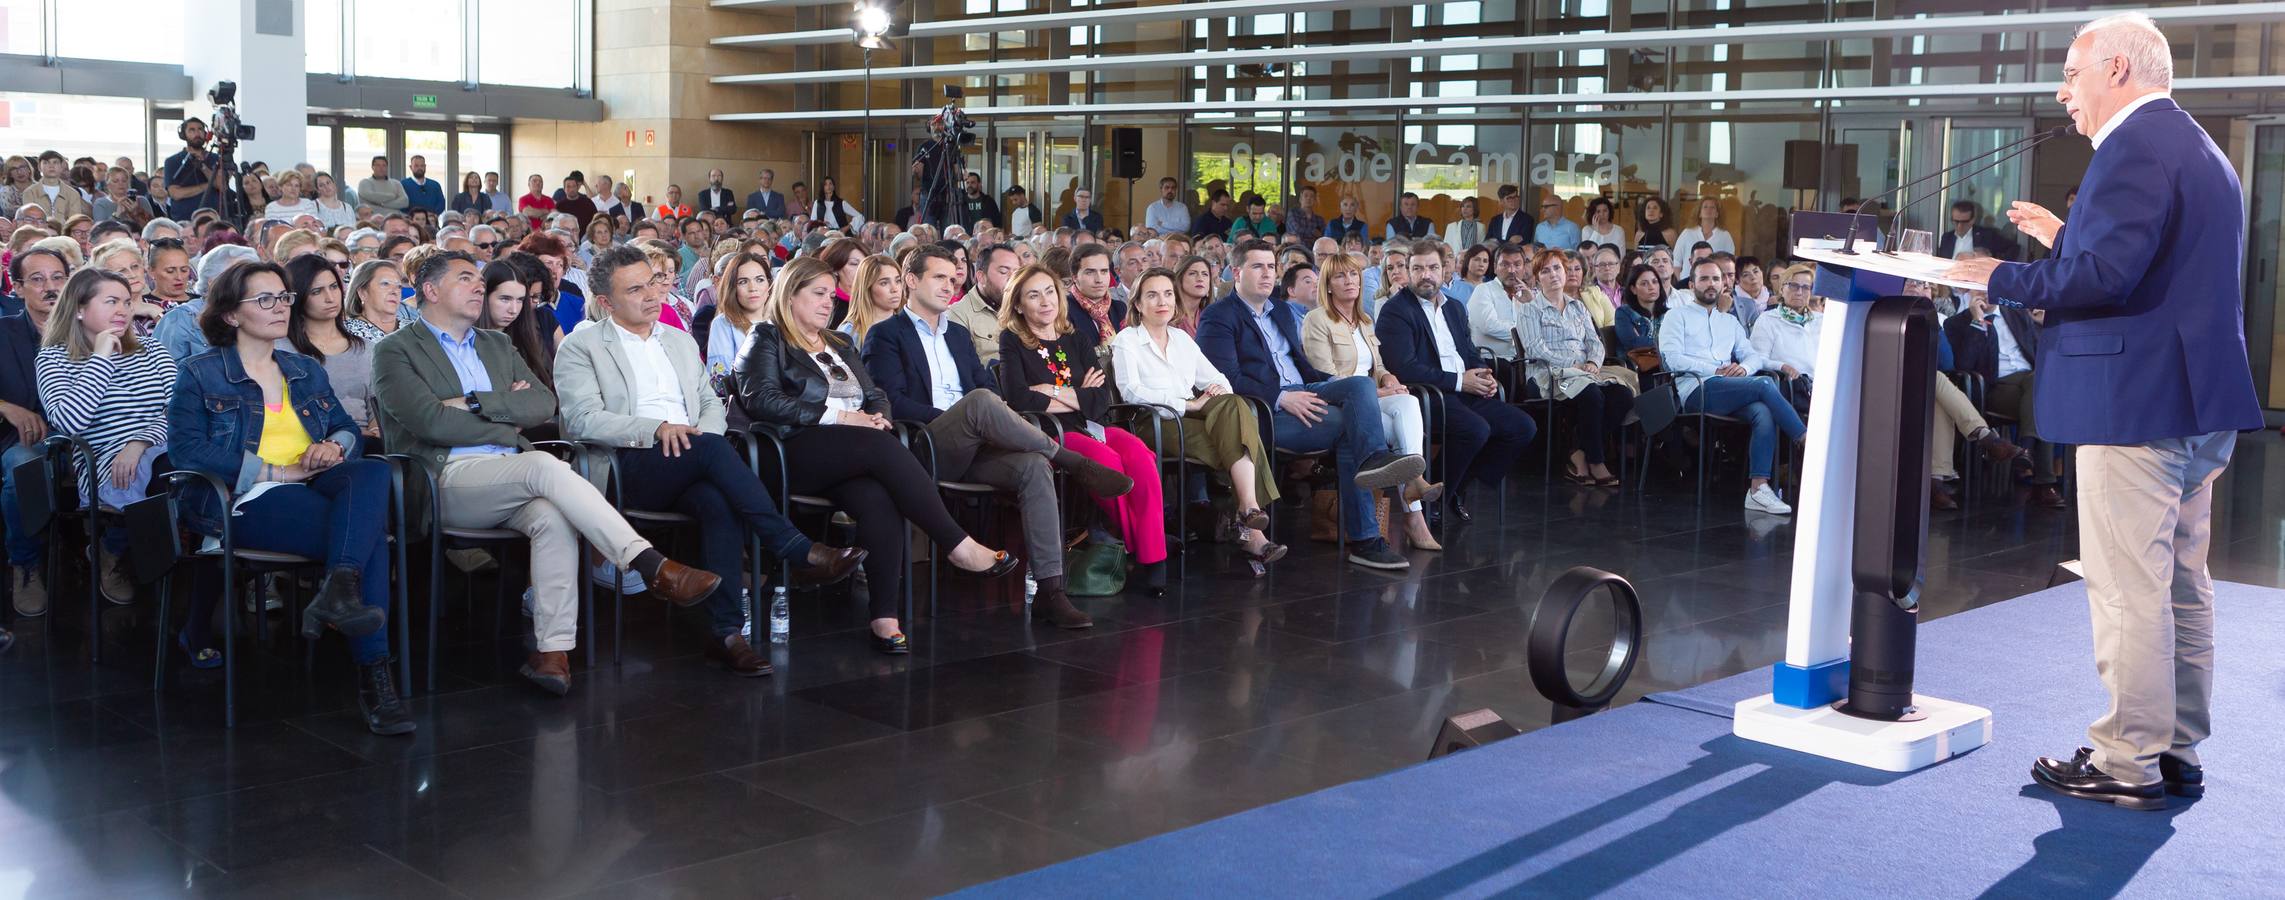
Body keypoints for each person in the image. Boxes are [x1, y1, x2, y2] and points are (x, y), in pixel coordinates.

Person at [1939, 12, 2263, 810]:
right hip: (2191, 401)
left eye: (2072, 75)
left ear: (2116, 68)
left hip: (2134, 405)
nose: (2064, 93)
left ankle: (2125, 761)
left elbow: (2105, 279)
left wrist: (1996, 278)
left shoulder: (2131, 146)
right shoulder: (2194, 146)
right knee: (2180, 582)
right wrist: (2063, 237)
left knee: (2128, 588)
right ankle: (2173, 748)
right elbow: (2149, 266)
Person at [372, 250, 721, 695]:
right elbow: (430, 423)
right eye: (466, 279)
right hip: (443, 478)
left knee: (552, 516)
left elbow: (542, 404)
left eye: (481, 279)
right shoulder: (395, 350)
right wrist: (505, 415)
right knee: (541, 463)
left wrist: (476, 403)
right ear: (430, 290)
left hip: (509, 472)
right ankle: (647, 562)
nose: (480, 286)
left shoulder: (496, 344)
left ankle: (551, 653)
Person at [557, 245, 860, 675]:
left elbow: (710, 403)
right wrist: (656, 429)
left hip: (694, 456)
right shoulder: (581, 345)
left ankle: (727, 635)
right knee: (715, 454)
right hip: (629, 463)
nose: (652, 295)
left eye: (654, 283)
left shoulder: (677, 340)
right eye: (635, 289)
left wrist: (702, 441)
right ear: (605, 301)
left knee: (717, 500)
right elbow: (582, 419)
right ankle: (794, 548)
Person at [167, 259, 409, 731]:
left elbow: (343, 426)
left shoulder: (301, 368)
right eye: (264, 299)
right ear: (232, 315)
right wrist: (274, 471)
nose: (279, 307)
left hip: (315, 480)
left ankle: (339, 590)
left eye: (283, 297)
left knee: (372, 473)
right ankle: (374, 676)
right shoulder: (201, 372)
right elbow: (187, 449)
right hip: (246, 494)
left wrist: (331, 446)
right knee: (369, 538)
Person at [736, 257, 1019, 654]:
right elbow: (761, 399)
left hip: (855, 452)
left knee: (877, 496)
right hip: (790, 449)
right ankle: (957, 544)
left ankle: (884, 618)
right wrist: (842, 416)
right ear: (789, 295)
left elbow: (876, 395)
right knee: (878, 447)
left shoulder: (839, 343)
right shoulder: (767, 337)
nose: (827, 304)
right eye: (817, 295)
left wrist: (879, 419)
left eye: (829, 297)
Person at [864, 246, 1128, 624]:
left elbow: (990, 390)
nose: (949, 285)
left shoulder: (956, 334)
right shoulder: (887, 334)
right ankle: (1071, 460)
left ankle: (1051, 592)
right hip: (925, 445)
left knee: (1033, 465)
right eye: (938, 277)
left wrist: (979, 417)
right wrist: (963, 416)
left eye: (952, 278)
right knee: (980, 402)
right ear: (911, 280)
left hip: (979, 444)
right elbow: (894, 403)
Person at [1198, 239, 1424, 569]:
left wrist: (1331, 387)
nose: (1266, 274)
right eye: (1257, 266)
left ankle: (1374, 462)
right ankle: (1365, 539)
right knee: (1351, 428)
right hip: (1265, 408)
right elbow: (1225, 378)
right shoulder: (1219, 316)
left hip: (1304, 388)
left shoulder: (1280, 311)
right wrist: (1282, 397)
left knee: (1360, 385)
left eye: (1271, 267)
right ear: (1236, 272)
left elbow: (1303, 365)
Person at [997, 263, 1169, 592]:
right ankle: (1146, 548)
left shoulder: (1074, 336)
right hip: (1049, 433)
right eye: (1034, 295)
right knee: (1107, 461)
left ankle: (1152, 553)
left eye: (1050, 291)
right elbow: (1019, 399)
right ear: (1019, 305)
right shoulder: (1013, 340)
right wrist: (1080, 395)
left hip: (1091, 424)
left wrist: (1053, 391)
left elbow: (1101, 398)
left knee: (1139, 455)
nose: (1045, 301)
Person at [1114, 265, 1290, 561]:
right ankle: (1252, 530)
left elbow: (1218, 379)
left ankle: (1248, 508)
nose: (1162, 302)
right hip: (1153, 421)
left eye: (1168, 294)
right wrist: (1188, 404)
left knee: (1234, 405)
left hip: (1192, 417)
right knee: (1241, 441)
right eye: (1153, 295)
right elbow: (1131, 391)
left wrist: (1212, 393)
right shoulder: (1128, 340)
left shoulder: (1181, 339)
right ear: (1138, 303)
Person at [38, 267, 174, 603]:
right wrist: (100, 359)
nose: (123, 310)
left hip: (162, 446)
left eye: (127, 302)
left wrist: (141, 442)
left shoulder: (149, 348)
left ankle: (142, 560)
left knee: (178, 471)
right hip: (104, 462)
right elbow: (69, 422)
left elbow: (180, 409)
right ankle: (132, 559)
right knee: (173, 480)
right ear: (80, 309)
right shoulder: (54, 359)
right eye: (111, 301)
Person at [1374, 241, 1537, 521]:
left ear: (1445, 269)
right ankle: (1432, 499)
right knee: (1475, 429)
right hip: (1427, 395)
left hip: (1465, 391)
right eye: (1418, 268)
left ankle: (1454, 488)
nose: (1426, 274)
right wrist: (1462, 381)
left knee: (1522, 426)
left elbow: (1469, 351)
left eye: (1433, 267)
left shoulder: (1455, 308)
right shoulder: (1396, 311)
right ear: (1409, 271)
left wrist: (1482, 373)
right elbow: (1406, 368)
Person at [1300, 253, 1442, 549]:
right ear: (1328, 285)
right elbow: (1323, 376)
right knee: (1400, 427)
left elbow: (1376, 366)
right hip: (1342, 402)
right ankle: (1414, 512)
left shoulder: (1364, 320)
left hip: (1373, 398)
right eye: (1340, 276)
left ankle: (1414, 485)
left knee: (1409, 401)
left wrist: (1389, 379)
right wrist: (1378, 392)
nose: (1349, 281)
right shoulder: (1316, 319)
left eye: (1353, 275)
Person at [1658, 258, 1804, 514]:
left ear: (1724, 283)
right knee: (1764, 384)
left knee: (1763, 411)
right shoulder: (1676, 316)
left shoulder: (1729, 322)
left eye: (1716, 278)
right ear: (1691, 284)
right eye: (1704, 279)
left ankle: (1758, 488)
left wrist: (1744, 369)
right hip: (1695, 388)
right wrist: (1715, 370)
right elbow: (1673, 358)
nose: (1711, 284)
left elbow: (1752, 356)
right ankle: (1804, 439)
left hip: (1728, 387)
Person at [1941, 289, 2062, 508]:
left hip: (2028, 382)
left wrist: (2043, 325)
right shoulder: (1957, 323)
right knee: (2044, 394)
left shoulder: (2016, 313)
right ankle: (2043, 483)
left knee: (2041, 388)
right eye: (1977, 289)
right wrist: (1978, 323)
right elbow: (1965, 366)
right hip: (1994, 386)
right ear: (1968, 293)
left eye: (1989, 287)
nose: (1984, 293)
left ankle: (2026, 455)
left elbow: (2038, 350)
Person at [0, 247, 62, 615]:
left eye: (57, 277)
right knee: (24, 467)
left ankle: (110, 551)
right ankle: (25, 564)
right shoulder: (3, 330)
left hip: (90, 438)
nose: (49, 287)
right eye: (37, 279)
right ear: (18, 287)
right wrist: (5, 407)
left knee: (149, 460)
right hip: (24, 442)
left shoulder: (91, 333)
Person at [281, 255, 380, 437]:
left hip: (368, 444)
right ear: (298, 295)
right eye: (316, 291)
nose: (330, 298)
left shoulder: (368, 349)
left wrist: (374, 431)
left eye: (334, 287)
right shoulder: (282, 351)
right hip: (310, 442)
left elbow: (378, 408)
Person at [1749, 262, 1819, 416]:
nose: (1799, 292)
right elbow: (1757, 359)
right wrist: (1782, 366)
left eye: (1806, 287)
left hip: (1821, 388)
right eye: (1793, 286)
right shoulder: (1768, 319)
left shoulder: (1821, 320)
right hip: (1790, 386)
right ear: (1782, 288)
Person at [707, 251, 773, 398]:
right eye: (743, 281)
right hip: (746, 407)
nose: (753, 288)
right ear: (732, 287)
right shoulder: (723, 323)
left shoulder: (781, 321)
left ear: (769, 283)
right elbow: (719, 383)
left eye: (760, 280)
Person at [1465, 243, 1534, 363]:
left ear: (1524, 268)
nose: (1511, 270)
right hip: (1491, 361)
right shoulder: (1483, 290)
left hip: (1523, 362)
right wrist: (1526, 331)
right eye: (1505, 264)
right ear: (1495, 267)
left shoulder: (1526, 295)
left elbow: (1540, 328)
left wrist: (1531, 303)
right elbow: (1490, 326)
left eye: (1517, 265)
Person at [1065, 243, 1125, 349]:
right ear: (1074, 277)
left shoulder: (1120, 308)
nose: (1099, 279)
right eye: (1090, 272)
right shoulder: (1063, 310)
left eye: (1104, 271)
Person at [841, 254, 904, 345]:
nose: (895, 289)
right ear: (867, 288)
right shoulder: (850, 332)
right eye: (884, 283)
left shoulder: (910, 324)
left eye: (898, 281)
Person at [343, 258, 407, 344]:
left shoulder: (414, 329)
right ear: (362, 293)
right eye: (385, 284)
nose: (394, 291)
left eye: (399, 286)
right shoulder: (345, 333)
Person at [1936, 199, 2021, 261]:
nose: (1959, 226)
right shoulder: (1947, 238)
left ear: (1972, 220)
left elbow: (2013, 248)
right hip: (1950, 281)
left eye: (1964, 222)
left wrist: (1996, 264)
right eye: (1956, 221)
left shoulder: (1987, 236)